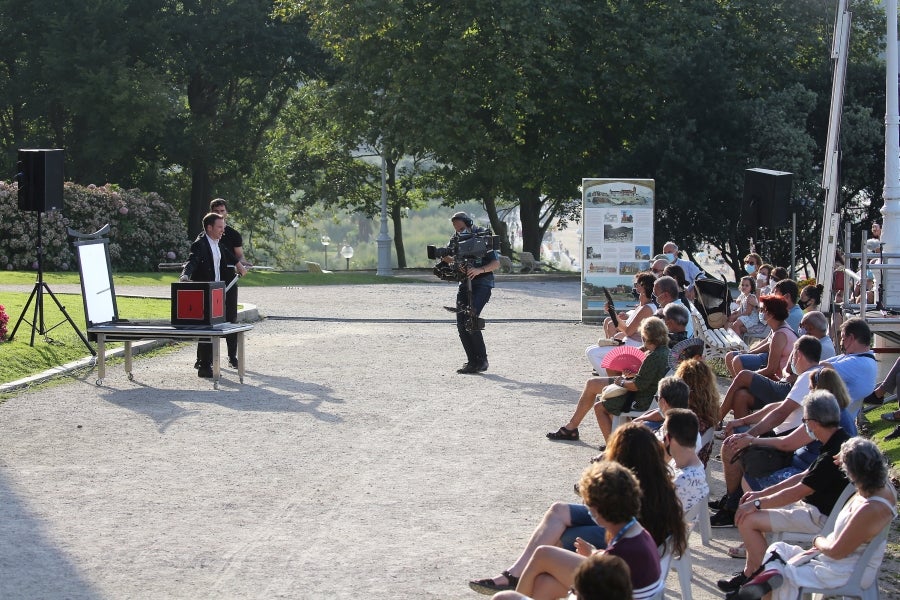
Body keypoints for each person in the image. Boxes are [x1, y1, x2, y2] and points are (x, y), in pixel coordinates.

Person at [471, 423, 685, 595]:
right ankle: (516, 574)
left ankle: (517, 585)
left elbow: (611, 533)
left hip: (619, 573)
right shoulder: (654, 481)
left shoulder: (628, 486)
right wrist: (594, 554)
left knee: (552, 550)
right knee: (558, 512)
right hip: (625, 555)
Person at [716, 391, 852, 595]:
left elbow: (798, 491)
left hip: (820, 517)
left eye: (805, 421)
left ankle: (756, 580)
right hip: (818, 510)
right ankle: (751, 575)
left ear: (814, 423)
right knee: (749, 513)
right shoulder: (839, 440)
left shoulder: (831, 455)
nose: (804, 426)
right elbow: (803, 476)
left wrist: (758, 504)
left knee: (746, 519)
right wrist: (760, 495)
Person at [735, 437, 897, 600]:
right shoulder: (881, 486)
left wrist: (818, 541)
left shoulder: (869, 509)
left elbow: (835, 552)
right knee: (778, 549)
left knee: (782, 574)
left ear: (854, 473)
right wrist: (847, 452)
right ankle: (766, 580)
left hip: (842, 569)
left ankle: (766, 583)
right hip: (836, 558)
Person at [504, 461, 665, 600]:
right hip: (630, 592)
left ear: (600, 510)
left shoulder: (622, 551)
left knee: (542, 554)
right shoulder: (637, 532)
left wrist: (595, 557)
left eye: (588, 504)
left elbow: (614, 565)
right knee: (544, 583)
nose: (586, 507)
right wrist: (594, 554)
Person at [711, 336, 823, 527]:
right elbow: (779, 406)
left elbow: (781, 414)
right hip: (788, 440)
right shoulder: (813, 375)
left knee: (732, 447)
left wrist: (750, 436)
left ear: (798, 354)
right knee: (737, 436)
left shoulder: (808, 377)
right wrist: (744, 421)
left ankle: (732, 507)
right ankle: (733, 499)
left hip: (789, 444)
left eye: (793, 355)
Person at [549, 317, 670, 445]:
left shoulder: (653, 357)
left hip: (641, 397)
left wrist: (620, 382)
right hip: (649, 393)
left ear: (645, 337)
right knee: (592, 384)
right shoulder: (666, 351)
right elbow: (651, 376)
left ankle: (612, 448)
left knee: (600, 404)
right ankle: (574, 428)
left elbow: (636, 386)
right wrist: (634, 373)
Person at [180, 212, 247, 377]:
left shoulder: (218, 243)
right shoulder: (200, 244)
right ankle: (204, 365)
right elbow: (192, 261)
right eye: (219, 227)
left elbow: (228, 254)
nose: (222, 230)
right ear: (209, 227)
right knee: (207, 330)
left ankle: (206, 364)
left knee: (213, 329)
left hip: (216, 292)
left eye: (223, 227)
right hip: (205, 292)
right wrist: (185, 275)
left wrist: (239, 264)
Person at [443, 212, 500, 374]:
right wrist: (453, 261)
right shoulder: (455, 239)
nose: (458, 231)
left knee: (471, 319)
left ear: (468, 223)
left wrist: (479, 270)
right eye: (456, 228)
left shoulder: (482, 236)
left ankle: (482, 361)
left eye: (461, 228)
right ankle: (472, 362)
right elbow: (447, 256)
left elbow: (496, 263)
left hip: (483, 283)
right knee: (461, 324)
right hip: (464, 283)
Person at [722, 296, 798, 395]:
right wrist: (750, 352)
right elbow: (768, 342)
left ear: (771, 314)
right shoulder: (777, 327)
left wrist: (746, 376)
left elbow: (771, 369)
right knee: (730, 356)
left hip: (780, 381)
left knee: (738, 361)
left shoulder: (780, 334)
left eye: (762, 310)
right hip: (774, 369)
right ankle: (741, 389)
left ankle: (743, 391)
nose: (760, 312)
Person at [585, 272, 656, 375]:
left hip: (634, 347)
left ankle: (610, 379)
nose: (635, 286)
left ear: (644, 286)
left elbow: (628, 331)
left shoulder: (647, 308)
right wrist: (612, 313)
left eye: (636, 284)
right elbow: (626, 328)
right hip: (628, 343)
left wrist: (613, 314)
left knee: (592, 353)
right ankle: (611, 377)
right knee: (590, 350)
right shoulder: (642, 306)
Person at [209, 198, 248, 369]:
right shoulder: (205, 234)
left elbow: (239, 256)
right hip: (210, 281)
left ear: (226, 213)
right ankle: (205, 359)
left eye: (222, 211)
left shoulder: (233, 234)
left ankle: (232, 356)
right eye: (216, 211)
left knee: (231, 318)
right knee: (208, 319)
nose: (220, 214)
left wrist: (242, 264)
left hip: (229, 281)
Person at [820, 317, 877, 411]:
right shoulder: (860, 357)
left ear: (851, 338)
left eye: (843, 338)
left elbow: (822, 367)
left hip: (833, 415)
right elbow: (819, 365)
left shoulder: (859, 363)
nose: (841, 342)